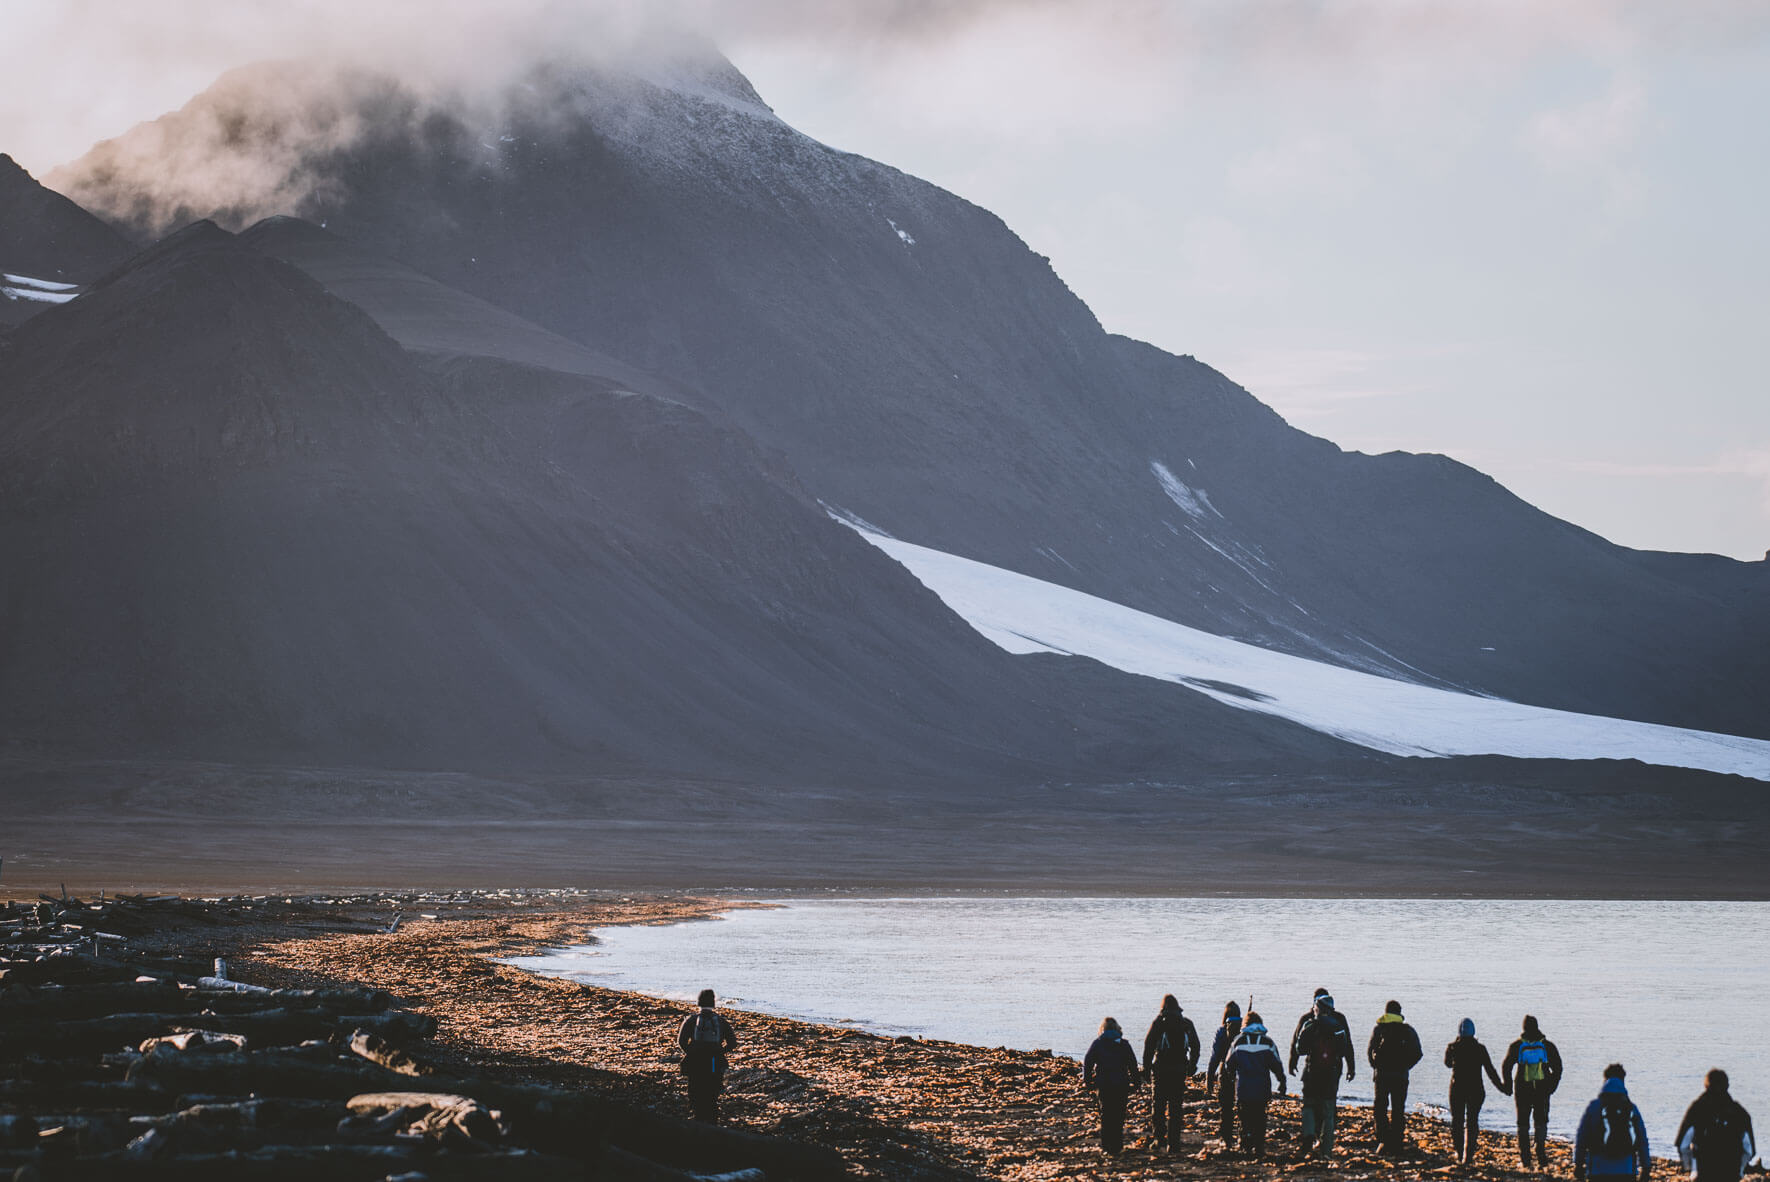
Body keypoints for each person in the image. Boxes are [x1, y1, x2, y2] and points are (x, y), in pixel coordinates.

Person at [1290, 989, 1355, 1158]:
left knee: (1310, 1105)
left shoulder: (1308, 1021)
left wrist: (1292, 1062)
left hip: (1312, 1070)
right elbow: (1347, 1046)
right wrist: (1351, 1066)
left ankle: (1310, 1134)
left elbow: (1298, 1045)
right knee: (1328, 1108)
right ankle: (1326, 1150)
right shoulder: (1339, 1021)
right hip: (1333, 1071)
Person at [1222, 1010, 1288, 1161]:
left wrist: (1231, 1077)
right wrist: (1282, 1081)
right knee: (1260, 1118)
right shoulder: (1267, 1042)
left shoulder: (1238, 1042)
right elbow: (1276, 1065)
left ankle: (1245, 1144)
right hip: (1262, 1088)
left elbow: (1228, 1064)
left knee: (1244, 1118)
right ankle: (1258, 1147)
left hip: (1243, 1088)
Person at [1502, 1015, 1564, 1169]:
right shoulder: (1548, 1046)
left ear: (1523, 1028)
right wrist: (1552, 1086)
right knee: (1541, 1121)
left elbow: (1506, 1066)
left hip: (1522, 1088)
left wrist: (1508, 1085)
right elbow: (1558, 1067)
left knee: (1523, 1123)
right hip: (1542, 1089)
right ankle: (1540, 1152)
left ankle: (1525, 1158)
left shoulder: (1517, 1046)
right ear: (1537, 1027)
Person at [1444, 1018, 1509, 1165]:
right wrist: (1502, 1088)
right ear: (1473, 1032)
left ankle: (1459, 1153)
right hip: (1476, 1089)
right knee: (1472, 1121)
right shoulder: (1480, 1049)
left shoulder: (1453, 1047)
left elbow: (1447, 1064)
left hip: (1457, 1089)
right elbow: (1490, 1071)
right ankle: (1468, 1155)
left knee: (1457, 1121)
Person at [1142, 995, 1201, 1152]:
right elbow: (1196, 1046)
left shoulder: (1158, 1023)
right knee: (1175, 1108)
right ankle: (1173, 1143)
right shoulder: (1186, 1024)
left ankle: (1159, 1140)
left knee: (1158, 1106)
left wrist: (1146, 1070)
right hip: (1179, 1069)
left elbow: (1148, 1046)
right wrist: (1192, 1066)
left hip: (1160, 1069)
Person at [1676, 1069, 1757, 1182]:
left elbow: (1682, 1145)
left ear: (1706, 1085)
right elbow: (1749, 1150)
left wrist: (1690, 1168)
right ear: (1727, 1085)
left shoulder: (1697, 1109)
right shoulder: (1739, 1113)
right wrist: (1739, 1169)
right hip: (1730, 1173)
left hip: (1703, 1172)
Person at [1574, 1064, 1650, 1182]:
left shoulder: (1594, 1107)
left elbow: (1581, 1138)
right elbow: (1642, 1139)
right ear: (1623, 1080)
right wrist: (1645, 1167)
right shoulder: (1630, 1108)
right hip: (1626, 1170)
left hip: (1598, 1170)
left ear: (1605, 1080)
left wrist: (1578, 1164)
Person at [1367, 1000, 1423, 1154]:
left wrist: (1376, 1067)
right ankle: (1396, 1142)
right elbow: (1418, 1053)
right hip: (1400, 1076)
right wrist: (1406, 1066)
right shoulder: (1407, 1031)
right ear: (1399, 1013)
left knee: (1380, 1108)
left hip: (1382, 1076)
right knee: (1398, 1109)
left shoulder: (1379, 1029)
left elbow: (1370, 1051)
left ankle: (1383, 1140)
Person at [677, 988, 738, 1123]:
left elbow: (681, 1041)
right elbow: (733, 1043)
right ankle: (712, 1123)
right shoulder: (721, 1022)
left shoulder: (691, 1020)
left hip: (695, 1062)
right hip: (714, 1062)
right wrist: (720, 1052)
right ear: (713, 1003)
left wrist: (691, 1052)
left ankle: (697, 1120)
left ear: (698, 1002)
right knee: (712, 1094)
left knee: (695, 1092)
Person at [1082, 1016, 1141, 1156]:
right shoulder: (1124, 1044)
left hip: (1104, 1084)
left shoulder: (1098, 1043)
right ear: (1117, 1029)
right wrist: (1136, 1083)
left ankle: (1107, 1145)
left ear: (1102, 1029)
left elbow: (1088, 1062)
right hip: (1121, 1083)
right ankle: (1117, 1145)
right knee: (1118, 1115)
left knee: (1106, 1114)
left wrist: (1088, 1081)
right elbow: (1133, 1064)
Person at [1206, 1001, 1245, 1146]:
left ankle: (1226, 1138)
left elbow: (1215, 1056)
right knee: (1242, 1106)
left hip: (1225, 1070)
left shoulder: (1222, 1031)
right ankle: (1243, 1137)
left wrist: (1209, 1077)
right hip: (1242, 1071)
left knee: (1226, 1107)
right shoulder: (1245, 1030)